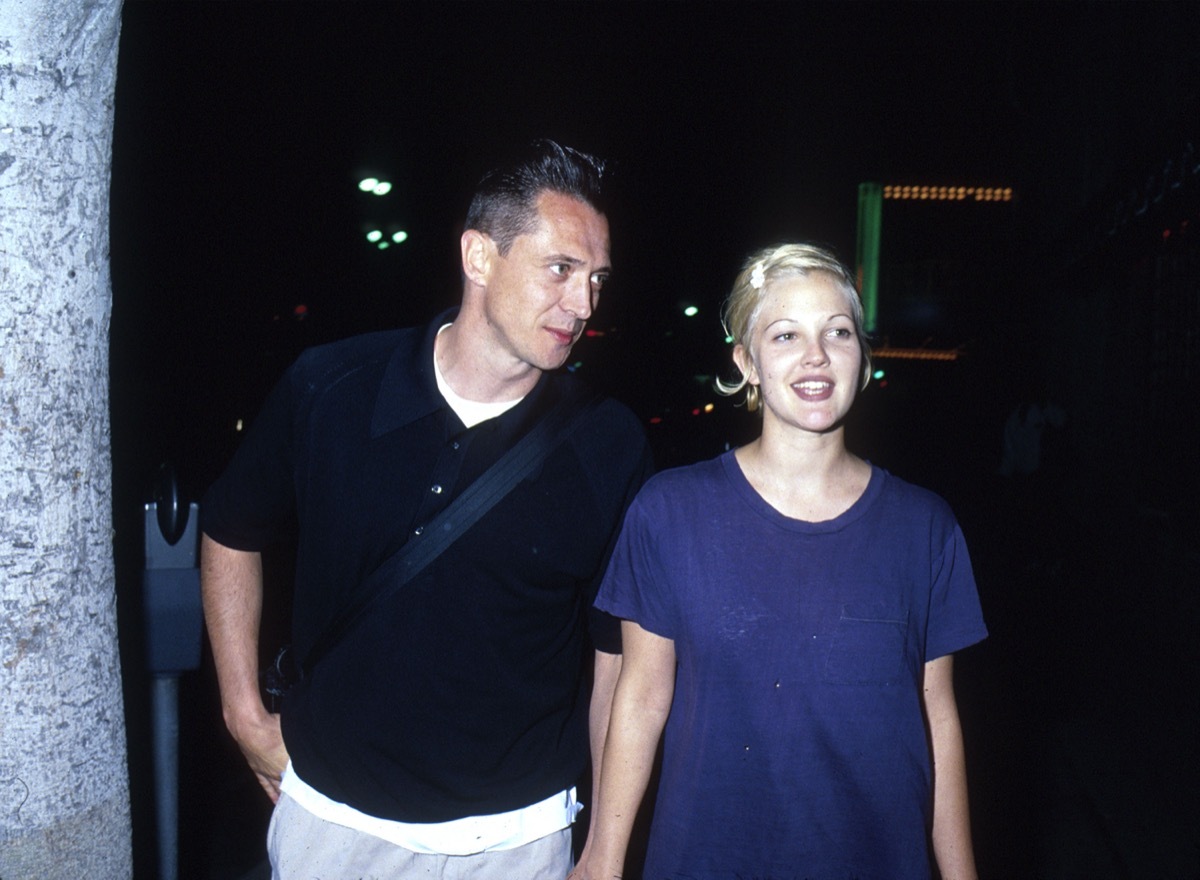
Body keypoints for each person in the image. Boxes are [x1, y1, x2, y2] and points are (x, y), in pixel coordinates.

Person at [200, 139, 654, 879]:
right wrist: (243, 713)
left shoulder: (609, 442)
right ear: (480, 257)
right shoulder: (333, 387)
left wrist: (604, 848)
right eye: (561, 269)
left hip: (518, 838)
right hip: (334, 822)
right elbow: (230, 529)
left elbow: (618, 659)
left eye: (597, 278)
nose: (584, 305)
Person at [572, 243, 987, 880]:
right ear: (747, 361)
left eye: (838, 332)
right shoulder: (671, 511)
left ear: (862, 355)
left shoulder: (925, 526)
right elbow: (641, 694)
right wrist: (602, 859)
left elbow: (937, 714)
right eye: (786, 334)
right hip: (706, 859)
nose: (816, 355)